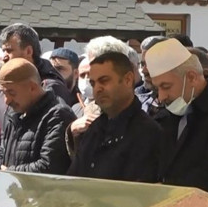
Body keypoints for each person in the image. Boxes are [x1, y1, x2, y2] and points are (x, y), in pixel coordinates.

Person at [145, 38, 208, 196]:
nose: (161, 96)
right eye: (157, 88)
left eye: (166, 86)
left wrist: (167, 190)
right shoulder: (174, 110)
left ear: (192, 77)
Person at [0, 24, 70, 168]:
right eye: (3, 50)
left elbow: (49, 163)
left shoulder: (52, 90)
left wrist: (10, 172)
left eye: (9, 50)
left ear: (29, 51)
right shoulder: (6, 85)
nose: (4, 56)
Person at [67, 51, 160, 181]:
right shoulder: (94, 129)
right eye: (93, 84)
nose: (97, 89)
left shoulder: (147, 133)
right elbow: (73, 179)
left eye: (104, 81)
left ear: (128, 80)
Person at [0, 58, 75, 174]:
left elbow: (50, 166)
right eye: (4, 93)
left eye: (12, 93)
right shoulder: (14, 114)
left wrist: (10, 172)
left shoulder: (58, 116)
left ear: (32, 87)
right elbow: (3, 153)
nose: (6, 101)